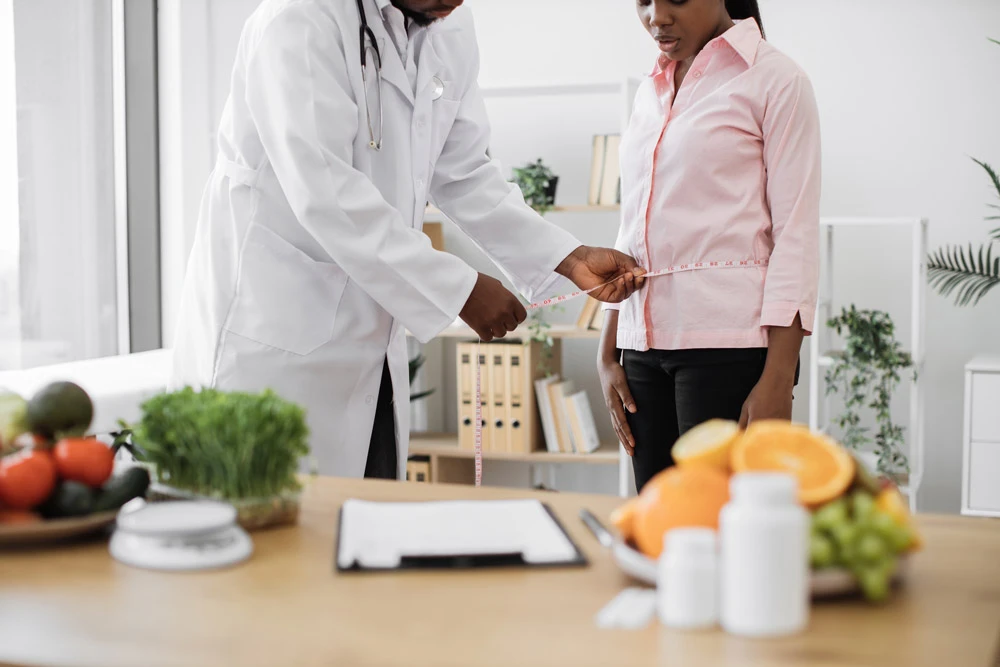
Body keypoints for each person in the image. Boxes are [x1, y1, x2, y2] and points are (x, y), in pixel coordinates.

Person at [170, 0, 644, 481]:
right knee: (273, 531)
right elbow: (327, 192)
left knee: (362, 531)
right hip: (277, 339)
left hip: (373, 345)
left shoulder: (449, 25)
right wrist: (460, 290)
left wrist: (568, 257)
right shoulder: (299, 19)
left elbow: (464, 171)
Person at [598, 0, 820, 493]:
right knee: (659, 523)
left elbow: (797, 236)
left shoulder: (776, 80)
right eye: (642, 0)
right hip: (640, 349)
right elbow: (630, 225)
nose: (656, 16)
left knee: (722, 526)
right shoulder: (649, 91)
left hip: (728, 346)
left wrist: (779, 378)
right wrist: (608, 351)